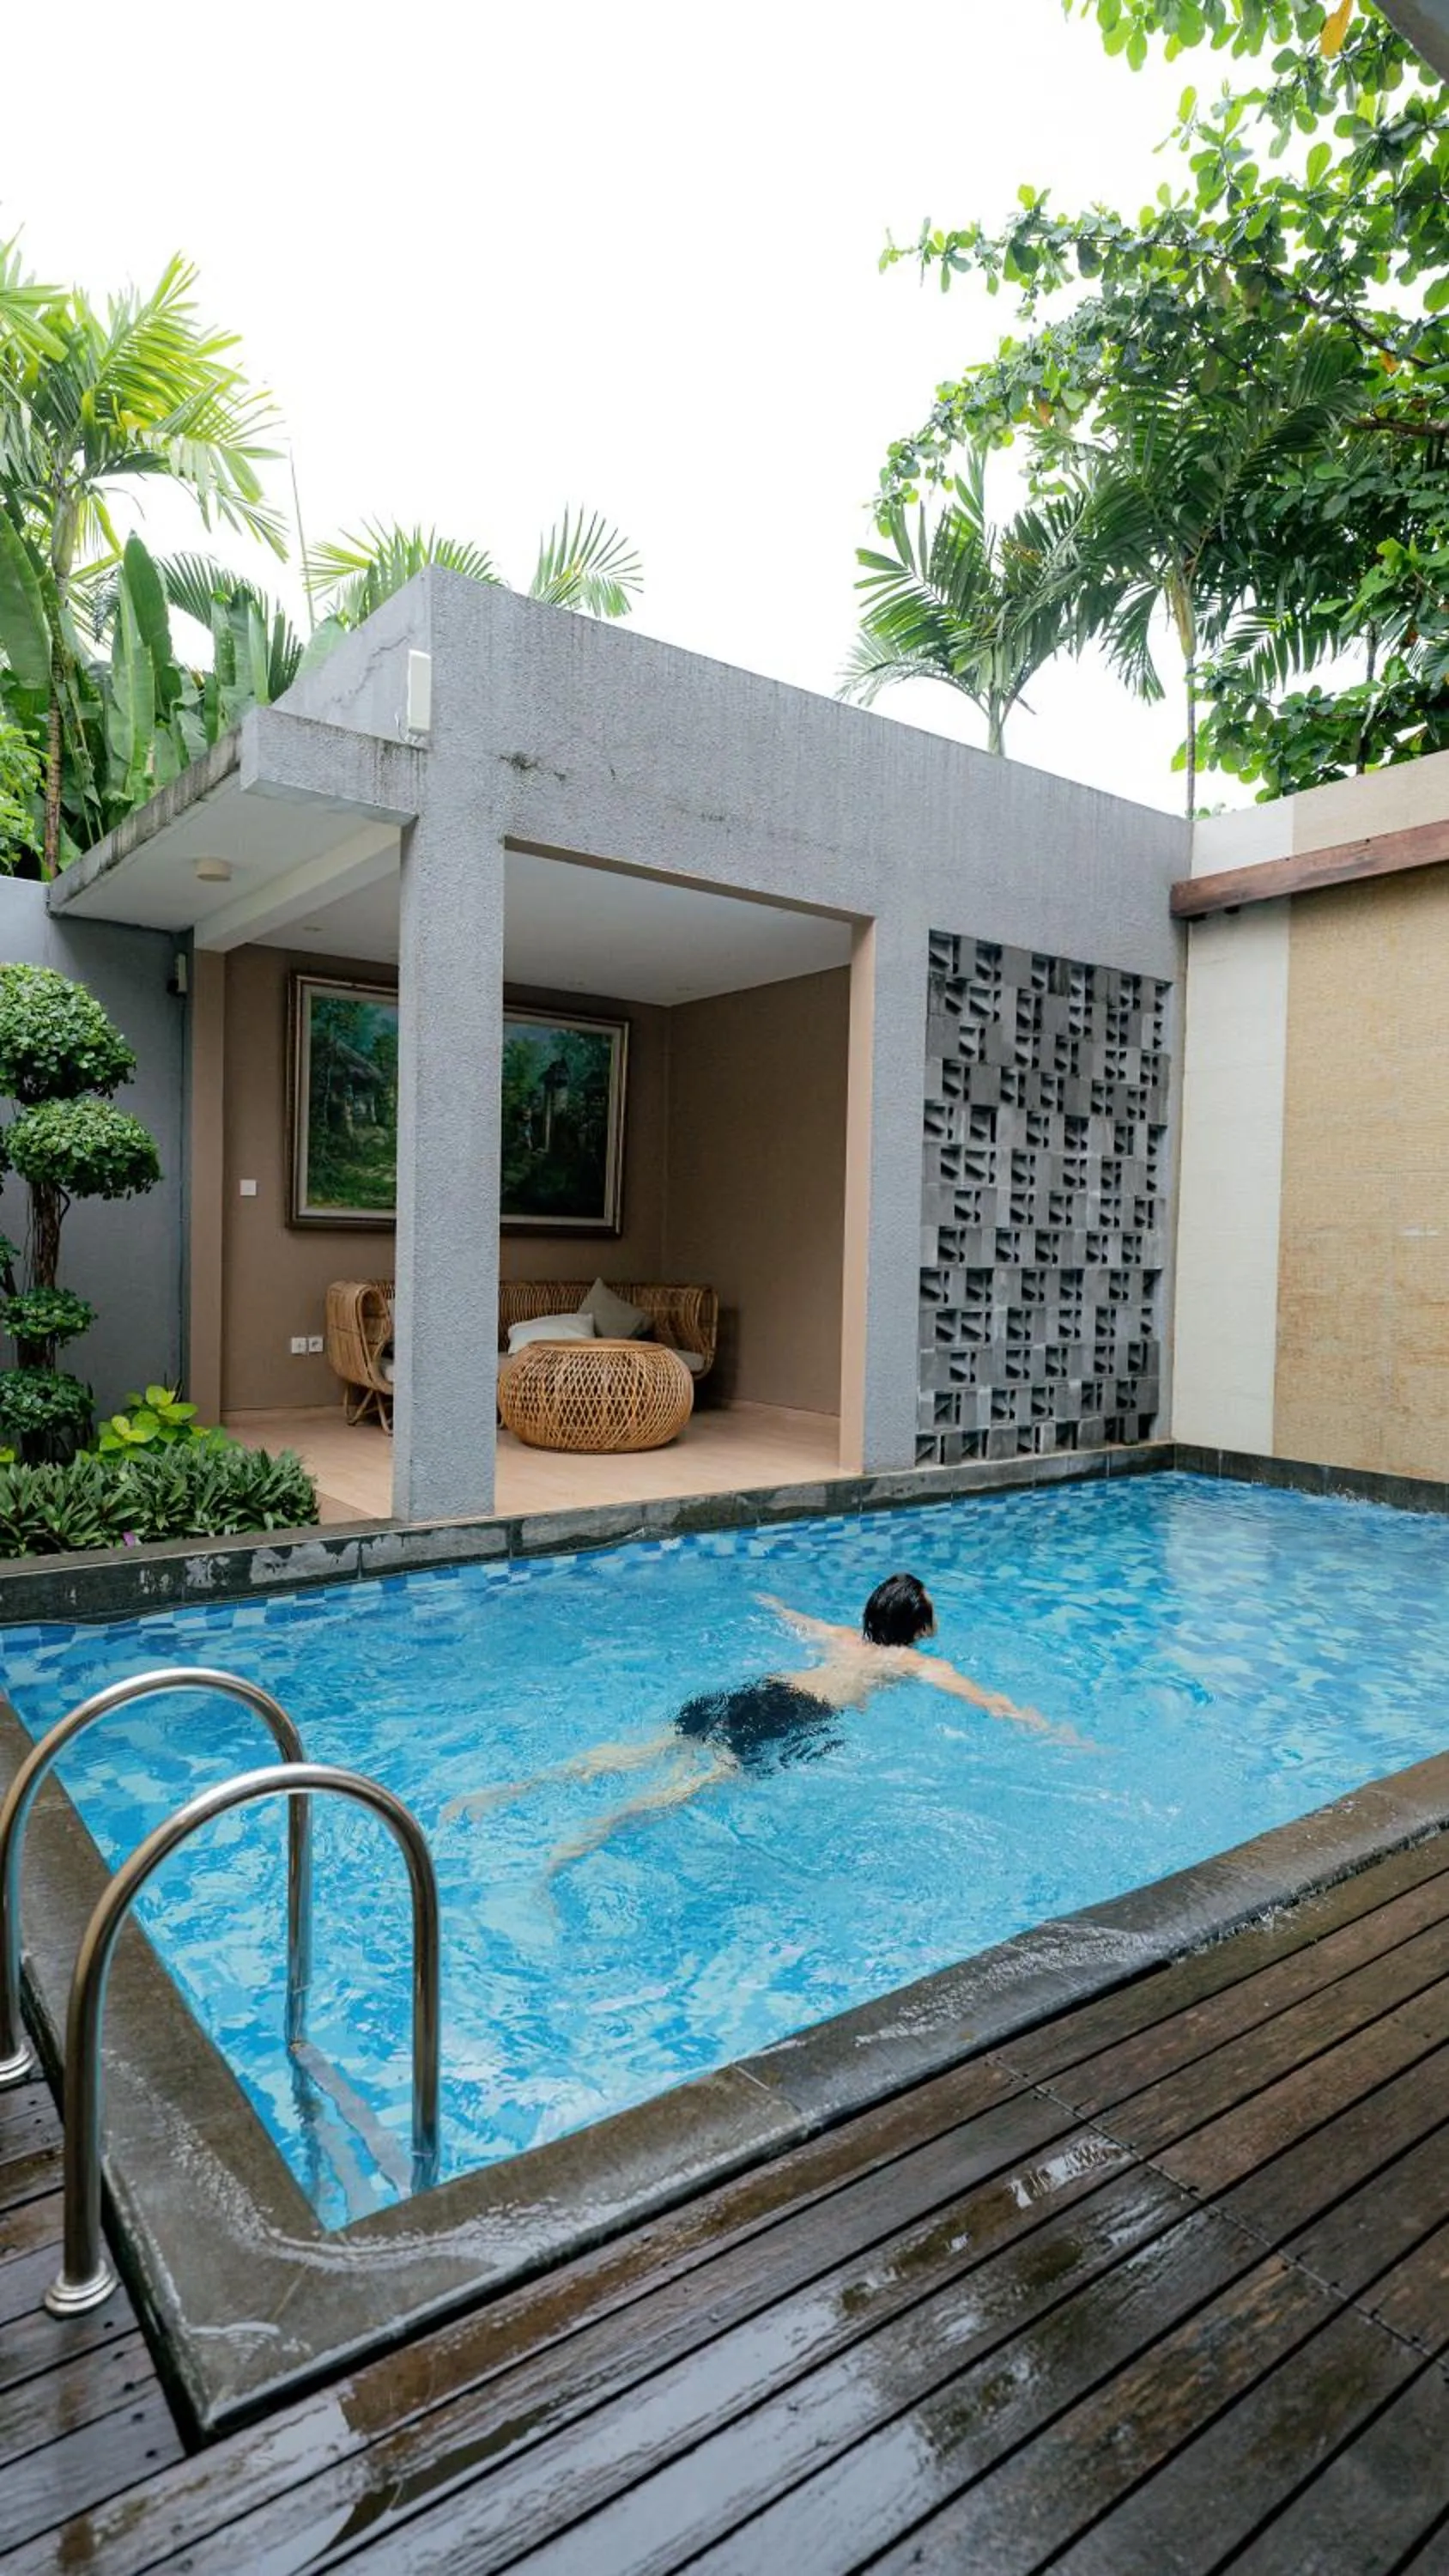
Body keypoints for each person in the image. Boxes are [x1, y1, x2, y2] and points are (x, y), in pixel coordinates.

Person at [443, 1571, 1064, 1878]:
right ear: (918, 1624)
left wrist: (767, 1600)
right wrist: (1040, 1724)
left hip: (761, 1690)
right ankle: (560, 1860)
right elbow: (988, 1701)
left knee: (638, 1750)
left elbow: (793, 1618)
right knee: (677, 1792)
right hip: (796, 1715)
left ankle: (506, 1793)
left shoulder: (843, 1637)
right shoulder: (909, 1663)